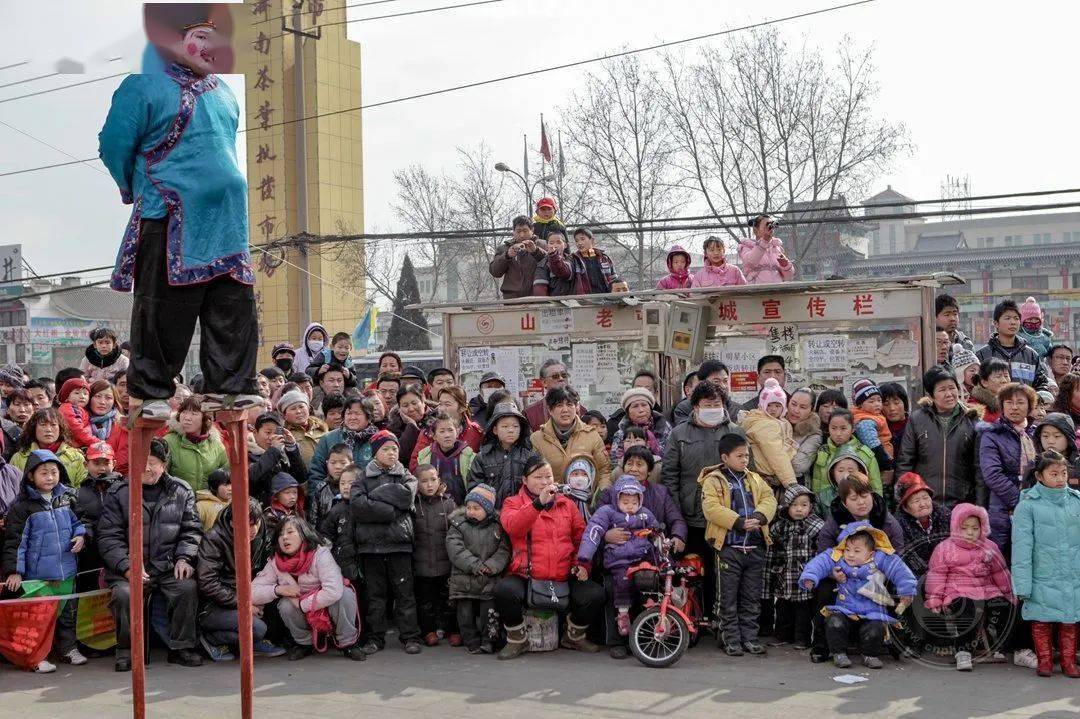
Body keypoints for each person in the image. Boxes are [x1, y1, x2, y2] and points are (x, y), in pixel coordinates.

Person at [99, 20, 261, 420]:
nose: (214, 49)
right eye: (203, 38)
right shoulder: (141, 85)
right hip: (169, 213)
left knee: (232, 305)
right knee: (163, 308)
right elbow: (114, 146)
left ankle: (231, 386)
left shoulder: (224, 92)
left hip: (228, 220)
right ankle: (152, 390)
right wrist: (134, 188)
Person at [98, 438, 202, 671]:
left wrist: (184, 557)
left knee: (186, 587)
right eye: (141, 461)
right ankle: (127, 650)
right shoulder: (119, 492)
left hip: (166, 565)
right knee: (125, 595)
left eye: (152, 462)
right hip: (128, 568)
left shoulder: (181, 490)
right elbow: (108, 537)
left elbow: (192, 529)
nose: (146, 467)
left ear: (164, 465)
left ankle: (181, 648)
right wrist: (127, 566)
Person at [494, 455, 603, 660]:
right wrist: (537, 504)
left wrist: (581, 565)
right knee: (504, 591)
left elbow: (580, 537)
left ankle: (574, 635)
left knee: (595, 594)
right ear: (525, 480)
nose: (545, 482)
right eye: (538, 477)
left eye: (548, 477)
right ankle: (517, 639)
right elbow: (513, 527)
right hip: (526, 573)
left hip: (563, 573)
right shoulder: (512, 502)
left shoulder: (567, 504)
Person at [661, 380, 743, 617]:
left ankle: (720, 619)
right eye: (707, 404)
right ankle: (691, 618)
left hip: (725, 516)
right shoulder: (679, 434)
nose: (712, 408)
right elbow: (670, 474)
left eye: (716, 404)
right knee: (691, 570)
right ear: (695, 406)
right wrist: (675, 512)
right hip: (691, 514)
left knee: (722, 573)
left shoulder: (735, 432)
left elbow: (748, 471)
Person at [1, 449, 87, 673]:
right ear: (30, 475)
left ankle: (68, 649)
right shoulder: (21, 508)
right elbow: (15, 543)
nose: (50, 477)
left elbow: (80, 521)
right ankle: (38, 656)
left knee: (68, 613)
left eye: (54, 472)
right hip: (38, 576)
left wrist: (81, 535)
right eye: (44, 473)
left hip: (67, 570)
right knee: (39, 618)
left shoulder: (67, 498)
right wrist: (14, 571)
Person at [699, 433, 777, 656]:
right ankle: (730, 638)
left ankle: (750, 638)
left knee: (751, 596)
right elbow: (711, 509)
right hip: (728, 548)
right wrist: (739, 522)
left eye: (747, 455)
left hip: (754, 546)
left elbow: (769, 498)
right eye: (740, 455)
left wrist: (761, 517)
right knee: (727, 597)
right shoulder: (713, 480)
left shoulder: (754, 478)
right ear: (725, 457)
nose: (745, 459)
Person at [800, 521, 917, 669]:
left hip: (872, 611)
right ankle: (839, 653)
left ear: (871, 553)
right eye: (848, 549)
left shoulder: (881, 558)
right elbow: (819, 563)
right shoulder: (838, 556)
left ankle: (870, 654)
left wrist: (906, 591)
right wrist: (810, 577)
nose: (850, 555)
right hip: (845, 608)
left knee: (876, 628)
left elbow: (900, 570)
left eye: (856, 551)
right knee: (834, 622)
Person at [252, 516, 364, 661]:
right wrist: (278, 590)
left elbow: (333, 590)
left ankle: (348, 643)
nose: (284, 538)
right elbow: (251, 592)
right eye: (280, 534)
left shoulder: (320, 554)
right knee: (285, 605)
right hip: (299, 606)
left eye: (290, 532)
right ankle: (304, 644)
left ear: (303, 534)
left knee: (345, 595)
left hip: (325, 601)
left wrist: (302, 604)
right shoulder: (275, 563)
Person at [350, 430, 422, 654]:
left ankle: (410, 636)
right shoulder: (362, 477)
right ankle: (375, 638)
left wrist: (376, 496)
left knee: (405, 594)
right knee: (375, 595)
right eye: (386, 449)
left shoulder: (407, 476)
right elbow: (358, 506)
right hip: (370, 548)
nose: (391, 453)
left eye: (394, 449)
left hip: (399, 544)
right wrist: (390, 510)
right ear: (375, 453)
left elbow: (406, 496)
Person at [1010, 450, 1080, 678]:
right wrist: (1022, 585)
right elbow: (1021, 548)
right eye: (1054, 474)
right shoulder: (1028, 506)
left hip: (1072, 572)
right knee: (1041, 619)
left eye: (1063, 473)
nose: (1060, 479)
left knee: (1071, 619)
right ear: (1040, 476)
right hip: (1042, 573)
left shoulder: (1076, 501)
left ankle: (1069, 663)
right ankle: (1045, 661)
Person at [923, 503, 1015, 672]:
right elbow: (936, 575)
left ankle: (1003, 644)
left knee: (1005, 606)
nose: (970, 532)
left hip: (986, 589)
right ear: (956, 527)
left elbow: (1000, 572)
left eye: (975, 528)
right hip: (957, 590)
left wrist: (1008, 593)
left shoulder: (990, 547)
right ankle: (963, 651)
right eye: (964, 528)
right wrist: (935, 598)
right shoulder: (945, 548)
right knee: (968, 610)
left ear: (983, 527)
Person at [197, 498, 285, 662]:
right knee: (256, 628)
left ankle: (251, 642)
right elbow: (207, 583)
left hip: (249, 595)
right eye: (247, 525)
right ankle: (210, 639)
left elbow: (265, 568)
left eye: (255, 523)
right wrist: (244, 604)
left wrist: (259, 596)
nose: (252, 529)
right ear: (232, 523)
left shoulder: (260, 532)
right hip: (215, 606)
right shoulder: (214, 539)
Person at [575, 476, 659, 635]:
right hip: (619, 560)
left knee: (650, 581)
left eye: (634, 503)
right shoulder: (607, 512)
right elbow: (592, 531)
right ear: (616, 498)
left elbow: (657, 530)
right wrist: (584, 557)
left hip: (642, 558)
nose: (630, 507)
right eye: (625, 502)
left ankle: (648, 620)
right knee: (622, 583)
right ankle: (622, 614)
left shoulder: (645, 514)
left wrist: (659, 536)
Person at [896, 366, 980, 509]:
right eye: (942, 390)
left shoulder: (971, 420)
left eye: (952, 388)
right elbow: (905, 462)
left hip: (962, 503)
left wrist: (979, 504)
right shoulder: (917, 420)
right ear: (930, 395)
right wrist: (904, 499)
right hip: (925, 503)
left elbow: (979, 468)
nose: (949, 394)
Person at [446, 483, 510, 654]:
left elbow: (503, 550)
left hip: (488, 579)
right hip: (463, 579)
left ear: (488, 509)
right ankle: (471, 641)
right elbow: (455, 548)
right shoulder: (458, 524)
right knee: (465, 616)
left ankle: (489, 640)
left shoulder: (498, 526)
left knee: (490, 614)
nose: (471, 511)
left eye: (477, 508)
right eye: (469, 507)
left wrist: (491, 566)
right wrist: (474, 564)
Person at [979, 383, 1038, 552]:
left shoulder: (1036, 433)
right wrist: (1019, 499)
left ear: (1029, 406)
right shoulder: (992, 434)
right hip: (1002, 506)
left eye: (1020, 402)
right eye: (1008, 402)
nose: (1014, 407)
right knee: (1002, 557)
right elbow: (992, 474)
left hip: (1035, 503)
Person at [766, 484, 824, 650]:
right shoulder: (779, 527)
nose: (799, 509)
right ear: (786, 507)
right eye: (794, 505)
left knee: (803, 610)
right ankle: (782, 635)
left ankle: (802, 638)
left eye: (804, 505)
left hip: (804, 575)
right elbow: (773, 550)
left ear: (810, 506)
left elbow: (821, 553)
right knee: (783, 607)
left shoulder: (815, 526)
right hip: (784, 576)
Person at [412, 465, 459, 647]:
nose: (429, 485)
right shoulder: (414, 504)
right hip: (422, 564)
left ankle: (453, 630)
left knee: (449, 601)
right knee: (425, 602)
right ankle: (428, 631)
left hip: (445, 563)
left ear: (439, 479)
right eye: (424, 481)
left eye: (433, 479)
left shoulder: (448, 503)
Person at [531, 387, 611, 492]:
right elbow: (532, 475)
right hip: (551, 502)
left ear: (577, 407)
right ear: (550, 410)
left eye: (569, 405)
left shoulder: (591, 435)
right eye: (559, 405)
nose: (565, 410)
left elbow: (604, 471)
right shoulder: (537, 439)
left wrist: (600, 497)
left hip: (586, 502)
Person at [466, 402, 538, 509]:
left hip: (521, 514)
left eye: (515, 426)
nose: (510, 430)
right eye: (505, 426)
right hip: (491, 516)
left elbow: (536, 487)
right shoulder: (483, 457)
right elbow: (474, 488)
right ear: (495, 430)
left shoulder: (529, 456)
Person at [810, 409, 882, 512]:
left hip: (858, 507)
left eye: (843, 428)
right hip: (828, 507)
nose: (838, 433)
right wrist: (817, 507)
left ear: (852, 429)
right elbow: (817, 482)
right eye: (833, 428)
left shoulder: (864, 454)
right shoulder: (823, 452)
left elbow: (876, 485)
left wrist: (877, 509)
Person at [71, 442, 123, 582]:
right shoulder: (78, 494)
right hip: (90, 554)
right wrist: (82, 535)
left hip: (118, 552)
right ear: (86, 465)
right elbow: (79, 521)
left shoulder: (123, 489)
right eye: (96, 463)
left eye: (106, 462)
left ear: (114, 463)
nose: (102, 468)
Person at [818, 470, 905, 552]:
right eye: (854, 498)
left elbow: (899, 555)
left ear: (872, 495)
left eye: (864, 496)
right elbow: (823, 556)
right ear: (844, 504)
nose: (861, 502)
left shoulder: (887, 521)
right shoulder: (833, 524)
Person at [975, 299, 1050, 390]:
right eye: (1007, 318)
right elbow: (976, 385)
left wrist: (1036, 399)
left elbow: (1042, 384)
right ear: (996, 323)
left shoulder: (1031, 356)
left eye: (1016, 318)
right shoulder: (983, 354)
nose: (1013, 322)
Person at [162, 396, 228, 492]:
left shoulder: (216, 445)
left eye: (194, 413)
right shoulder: (169, 442)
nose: (187, 418)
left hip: (209, 503)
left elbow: (225, 478)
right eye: (184, 412)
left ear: (204, 418)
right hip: (178, 502)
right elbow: (161, 477)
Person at [740, 377, 797, 489]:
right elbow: (776, 454)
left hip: (771, 476)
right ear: (762, 405)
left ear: (784, 407)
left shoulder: (778, 421)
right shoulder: (765, 424)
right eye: (769, 405)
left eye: (777, 405)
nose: (773, 409)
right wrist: (791, 483)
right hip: (766, 477)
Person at [410, 386, 483, 471]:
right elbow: (415, 464)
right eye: (440, 404)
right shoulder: (429, 431)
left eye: (447, 404)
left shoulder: (476, 432)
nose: (442, 408)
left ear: (462, 408)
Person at [11, 408, 88, 489]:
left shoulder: (76, 458)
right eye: (43, 425)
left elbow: (83, 491)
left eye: (53, 425)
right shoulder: (19, 458)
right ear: (34, 429)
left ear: (60, 428)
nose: (48, 429)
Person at [310, 397, 378, 484]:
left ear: (368, 417)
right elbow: (316, 473)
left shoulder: (378, 440)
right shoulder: (328, 439)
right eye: (349, 413)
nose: (352, 417)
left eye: (357, 413)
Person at [892, 472, 950, 570]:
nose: (923, 504)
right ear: (905, 508)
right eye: (916, 501)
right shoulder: (898, 525)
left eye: (925, 498)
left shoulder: (944, 514)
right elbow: (908, 558)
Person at [247, 412, 308, 504]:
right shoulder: (247, 454)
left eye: (276, 433)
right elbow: (253, 477)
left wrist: (292, 449)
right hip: (261, 509)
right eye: (268, 432)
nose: (272, 437)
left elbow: (300, 478)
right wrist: (274, 450)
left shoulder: (283, 454)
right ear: (255, 433)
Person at [416, 411, 476, 506]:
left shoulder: (469, 456)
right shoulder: (425, 456)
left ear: (457, 432)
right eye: (442, 431)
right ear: (434, 436)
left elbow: (474, 486)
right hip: (433, 508)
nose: (447, 435)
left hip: (462, 508)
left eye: (450, 430)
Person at [548, 227, 622, 295]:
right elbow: (563, 271)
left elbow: (614, 280)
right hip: (584, 302)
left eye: (582, 239)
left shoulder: (605, 258)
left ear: (592, 240)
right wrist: (554, 257)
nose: (579, 243)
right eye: (576, 241)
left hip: (606, 300)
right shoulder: (573, 259)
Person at [608, 387, 670, 466]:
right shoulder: (621, 433)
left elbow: (672, 457)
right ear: (628, 411)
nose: (641, 410)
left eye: (644, 405)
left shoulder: (664, 427)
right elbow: (615, 462)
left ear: (650, 408)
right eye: (635, 406)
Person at [490, 215, 548, 299]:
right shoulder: (504, 248)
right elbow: (495, 272)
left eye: (525, 231)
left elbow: (551, 264)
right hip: (512, 299)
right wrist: (507, 256)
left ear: (532, 230)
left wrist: (536, 251)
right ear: (513, 231)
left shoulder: (542, 244)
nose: (522, 235)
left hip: (537, 297)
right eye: (518, 231)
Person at [671, 360, 741, 425]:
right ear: (702, 382)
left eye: (725, 381)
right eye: (716, 381)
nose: (723, 386)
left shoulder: (736, 408)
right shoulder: (685, 408)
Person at [1025, 413, 1080, 489]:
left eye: (1057, 436)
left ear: (1069, 438)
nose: (1050, 441)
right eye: (1045, 436)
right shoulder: (1034, 465)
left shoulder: (1078, 464)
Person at [86, 379, 130, 475]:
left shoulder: (122, 425)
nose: (102, 402)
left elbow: (123, 460)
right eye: (98, 396)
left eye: (108, 397)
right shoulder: (80, 424)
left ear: (114, 401)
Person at [850, 379, 894, 473]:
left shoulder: (874, 415)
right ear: (861, 405)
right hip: (878, 461)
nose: (877, 404)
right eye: (871, 401)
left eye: (879, 400)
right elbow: (873, 444)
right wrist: (886, 463)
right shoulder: (865, 421)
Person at [524, 360, 581, 431]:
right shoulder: (530, 413)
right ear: (544, 382)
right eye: (555, 376)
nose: (561, 379)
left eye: (564, 375)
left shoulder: (581, 410)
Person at [278, 388, 328, 468]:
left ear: (308, 408)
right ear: (284, 415)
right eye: (293, 408)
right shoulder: (285, 436)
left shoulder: (322, 428)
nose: (298, 411)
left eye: (301, 407)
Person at [739, 214, 795, 284]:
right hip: (756, 291)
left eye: (772, 225)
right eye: (767, 225)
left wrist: (785, 265)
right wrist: (764, 241)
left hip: (776, 290)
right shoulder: (746, 246)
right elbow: (750, 262)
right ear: (756, 229)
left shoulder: (776, 247)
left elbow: (788, 277)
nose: (771, 228)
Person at [787, 388, 822, 486]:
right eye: (793, 404)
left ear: (811, 411)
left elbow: (798, 466)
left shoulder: (814, 434)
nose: (796, 410)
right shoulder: (777, 422)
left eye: (802, 407)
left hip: (796, 487)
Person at [531, 229, 576, 297]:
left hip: (572, 301)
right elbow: (540, 286)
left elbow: (565, 273)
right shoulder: (543, 263)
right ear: (547, 245)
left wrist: (554, 257)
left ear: (565, 245)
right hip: (553, 302)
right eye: (551, 243)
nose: (554, 246)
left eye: (558, 243)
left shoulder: (571, 259)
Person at [967, 358, 1011, 424]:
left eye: (1006, 375)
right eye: (998, 376)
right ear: (984, 382)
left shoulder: (1011, 403)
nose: (1004, 380)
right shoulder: (974, 406)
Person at [57, 376, 95, 449]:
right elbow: (76, 429)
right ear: (67, 397)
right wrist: (94, 441)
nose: (82, 396)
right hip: (70, 447)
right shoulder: (68, 408)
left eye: (85, 394)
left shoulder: (81, 409)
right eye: (77, 393)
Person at [196, 468, 231, 532]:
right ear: (214, 486)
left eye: (232, 484)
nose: (230, 488)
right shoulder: (201, 506)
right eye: (225, 485)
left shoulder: (239, 504)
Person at [879, 382, 910, 453]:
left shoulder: (915, 426)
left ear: (904, 404)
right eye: (886, 404)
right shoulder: (877, 430)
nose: (892, 408)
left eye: (896, 403)